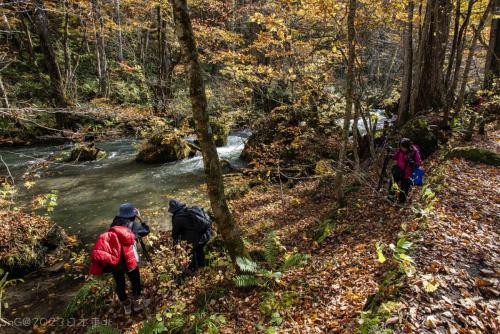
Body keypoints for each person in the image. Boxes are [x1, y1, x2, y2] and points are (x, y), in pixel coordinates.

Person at [89, 203, 150, 315]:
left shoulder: (114, 224)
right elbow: (146, 230)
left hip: (115, 262)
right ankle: (137, 305)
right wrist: (140, 217)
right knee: (135, 282)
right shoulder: (134, 226)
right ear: (133, 214)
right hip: (129, 261)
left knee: (120, 284)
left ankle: (126, 306)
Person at [168, 199, 212, 272]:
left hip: (194, 240)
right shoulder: (189, 210)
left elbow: (175, 234)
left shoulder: (177, 218)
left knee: (190, 253)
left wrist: (174, 246)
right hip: (205, 235)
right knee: (199, 250)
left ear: (173, 210)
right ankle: (203, 267)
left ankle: (194, 270)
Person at [389, 138, 422, 203]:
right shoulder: (400, 150)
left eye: (403, 147)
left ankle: (401, 202)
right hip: (398, 171)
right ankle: (391, 197)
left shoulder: (414, 152)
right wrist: (391, 156)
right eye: (400, 147)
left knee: (404, 189)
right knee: (393, 183)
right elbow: (396, 156)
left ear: (407, 147)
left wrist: (413, 163)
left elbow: (419, 162)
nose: (401, 148)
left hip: (407, 174)